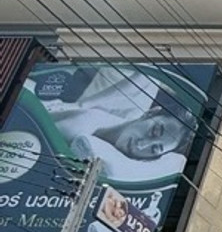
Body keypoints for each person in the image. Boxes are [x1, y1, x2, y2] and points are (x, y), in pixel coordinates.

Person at [41, 66, 199, 183]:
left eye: (154, 149)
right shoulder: (81, 125)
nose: (142, 144)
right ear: (151, 113)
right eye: (154, 131)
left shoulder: (119, 167)